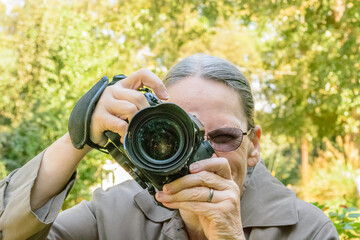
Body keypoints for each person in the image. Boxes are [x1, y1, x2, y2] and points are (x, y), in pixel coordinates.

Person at [0, 54, 338, 239]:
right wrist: (79, 137)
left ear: (254, 145)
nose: (204, 156)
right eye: (178, 136)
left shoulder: (308, 230)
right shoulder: (113, 215)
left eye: (223, 138)